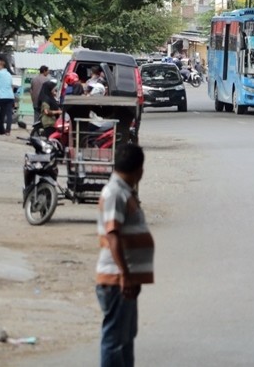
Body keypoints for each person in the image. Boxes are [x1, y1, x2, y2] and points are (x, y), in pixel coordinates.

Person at [95, 144, 154, 367]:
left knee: (126, 338)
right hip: (117, 279)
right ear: (138, 169)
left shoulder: (124, 191)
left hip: (125, 279)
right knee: (114, 341)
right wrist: (126, 275)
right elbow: (113, 236)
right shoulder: (115, 193)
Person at [0, 55, 15, 136]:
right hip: (10, 97)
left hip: (1, 97)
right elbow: (11, 86)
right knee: (7, 114)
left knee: (0, 113)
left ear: (1, 65)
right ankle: (7, 131)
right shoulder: (9, 74)